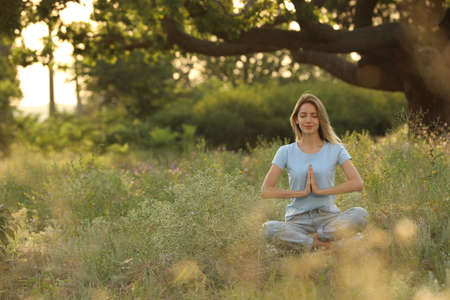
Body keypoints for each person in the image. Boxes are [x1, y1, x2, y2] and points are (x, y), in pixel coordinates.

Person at [261, 93, 368, 250]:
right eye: (303, 115)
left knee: (360, 214)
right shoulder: (285, 151)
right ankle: (331, 246)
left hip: (328, 219)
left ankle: (309, 243)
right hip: (297, 221)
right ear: (296, 119)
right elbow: (266, 191)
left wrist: (321, 191)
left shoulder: (335, 149)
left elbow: (357, 183)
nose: (308, 120)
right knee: (268, 229)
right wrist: (300, 193)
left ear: (320, 119)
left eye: (314, 116)